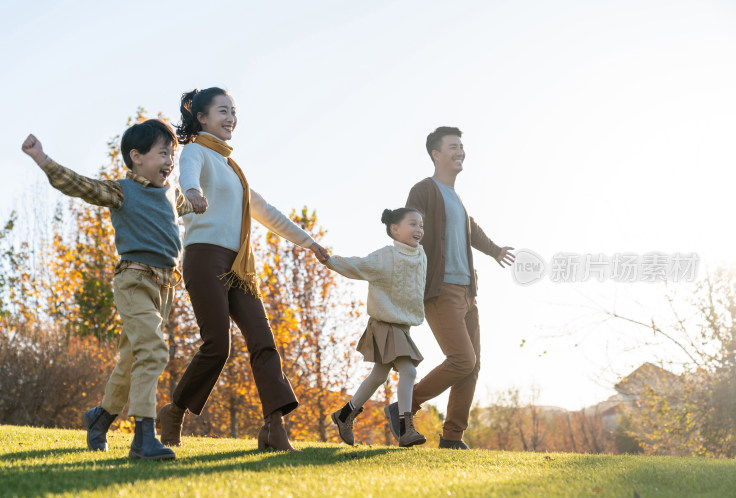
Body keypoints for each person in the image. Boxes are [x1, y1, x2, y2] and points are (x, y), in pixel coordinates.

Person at [156, 87, 329, 452]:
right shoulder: (197, 152)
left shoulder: (235, 171)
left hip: (237, 267)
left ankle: (273, 429)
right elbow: (187, 174)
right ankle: (173, 411)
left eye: (233, 110)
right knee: (218, 346)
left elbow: (266, 212)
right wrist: (192, 193)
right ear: (202, 118)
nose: (231, 117)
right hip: (204, 258)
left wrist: (309, 242)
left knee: (263, 341)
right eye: (223, 110)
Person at [21, 119, 201, 460]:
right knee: (154, 351)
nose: (170, 161)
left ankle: (100, 418)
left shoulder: (170, 193)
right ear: (136, 157)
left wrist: (197, 198)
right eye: (163, 153)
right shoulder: (122, 191)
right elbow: (80, 185)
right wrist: (42, 158)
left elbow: (189, 205)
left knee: (133, 358)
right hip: (134, 281)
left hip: (165, 287)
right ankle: (143, 437)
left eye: (172, 154)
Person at [384, 126, 515, 449]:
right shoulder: (424, 191)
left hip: (467, 292)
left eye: (462, 146)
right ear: (436, 154)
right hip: (440, 291)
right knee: (461, 359)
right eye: (453, 146)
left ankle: (453, 437)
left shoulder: (456, 198)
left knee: (472, 366)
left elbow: (472, 230)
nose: (460, 152)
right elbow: (410, 232)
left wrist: (495, 250)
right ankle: (404, 407)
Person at [327, 208, 428, 447]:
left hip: (403, 326)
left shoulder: (421, 255)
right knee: (409, 371)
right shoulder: (386, 257)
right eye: (412, 224)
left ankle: (344, 416)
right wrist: (329, 260)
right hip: (384, 323)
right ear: (395, 229)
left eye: (421, 225)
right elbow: (358, 266)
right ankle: (406, 429)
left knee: (379, 375)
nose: (419, 230)